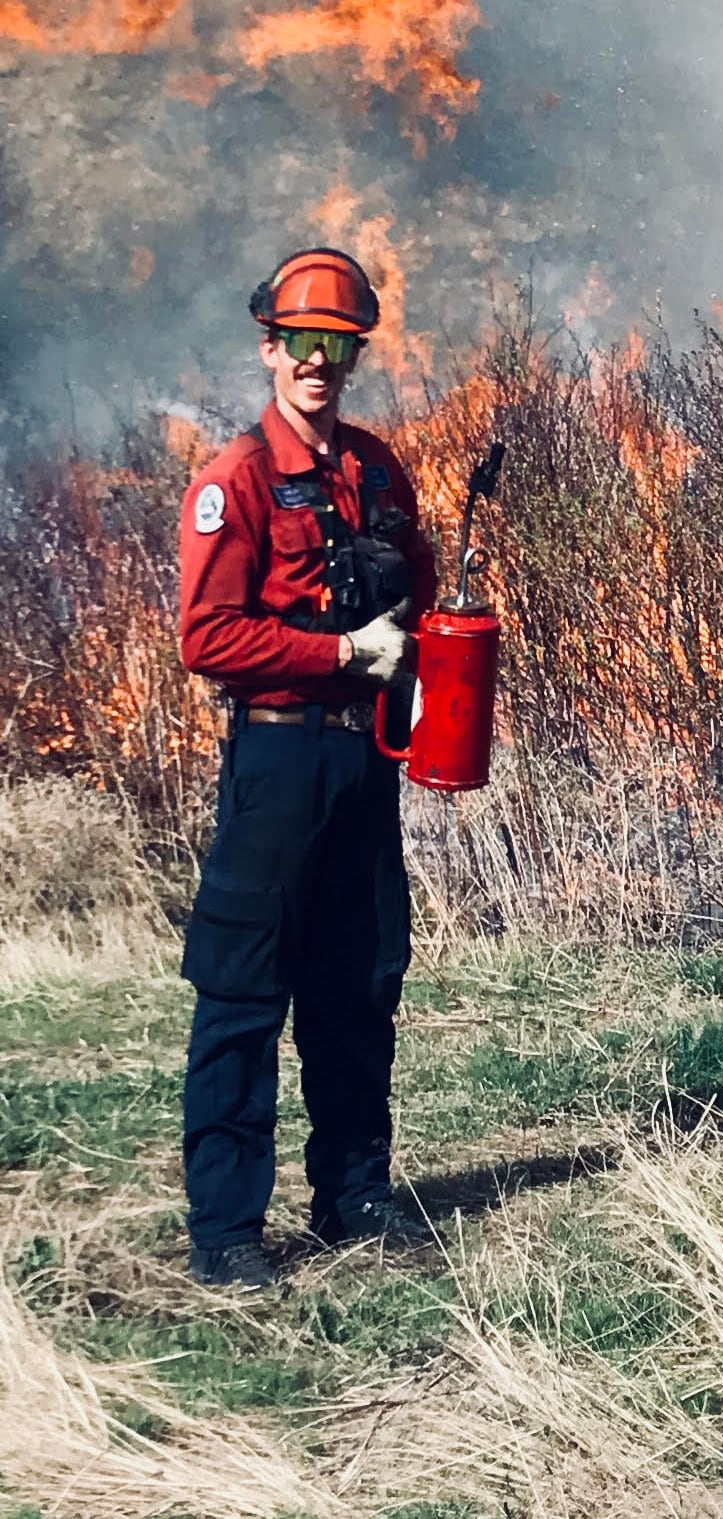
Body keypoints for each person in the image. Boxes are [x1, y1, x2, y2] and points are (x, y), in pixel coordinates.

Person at [179, 248, 438, 1290]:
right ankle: (228, 1232)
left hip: (363, 758)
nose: (318, 360)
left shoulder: (377, 470)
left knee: (360, 980)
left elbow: (416, 600)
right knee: (243, 992)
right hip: (280, 752)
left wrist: (429, 668)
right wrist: (335, 654)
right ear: (270, 348)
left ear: (355, 353)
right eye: (301, 342)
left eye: (338, 343)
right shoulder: (232, 478)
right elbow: (208, 637)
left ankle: (354, 1196)